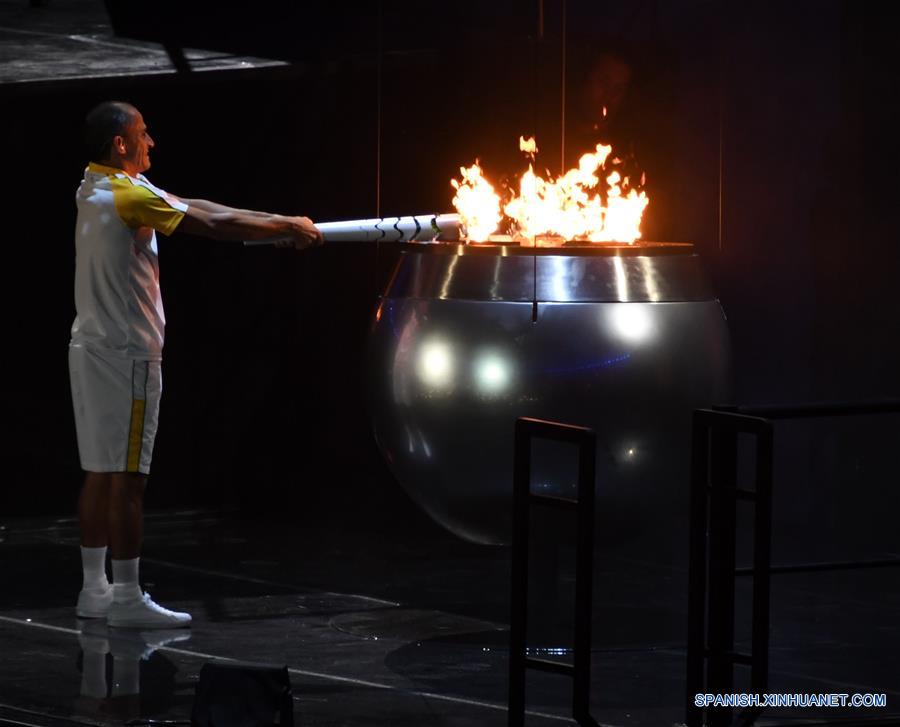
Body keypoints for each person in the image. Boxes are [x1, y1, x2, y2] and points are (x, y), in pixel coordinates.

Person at [70, 101, 323, 629]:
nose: (151, 142)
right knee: (128, 480)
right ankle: (126, 597)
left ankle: (95, 590)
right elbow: (211, 223)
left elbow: (194, 204)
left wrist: (274, 224)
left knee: (100, 471)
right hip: (128, 356)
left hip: (90, 348)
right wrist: (285, 224)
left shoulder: (96, 185)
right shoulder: (128, 195)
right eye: (142, 133)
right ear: (120, 143)